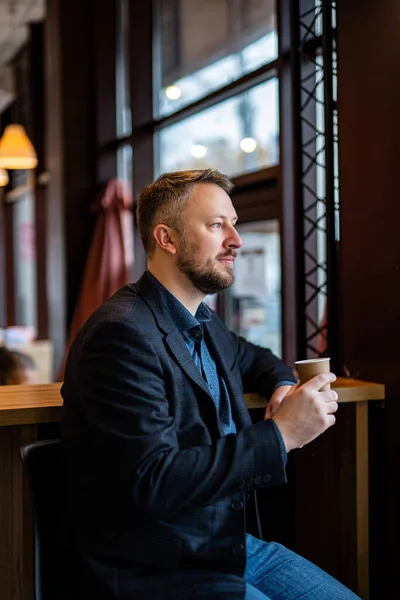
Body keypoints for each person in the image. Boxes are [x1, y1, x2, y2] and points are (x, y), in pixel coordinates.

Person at [61, 169, 359, 599]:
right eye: (217, 225)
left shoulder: (201, 319)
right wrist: (282, 434)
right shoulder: (121, 334)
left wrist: (278, 385)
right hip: (160, 569)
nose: (236, 240)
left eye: (233, 224)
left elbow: (256, 358)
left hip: (233, 547)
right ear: (167, 238)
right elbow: (154, 482)